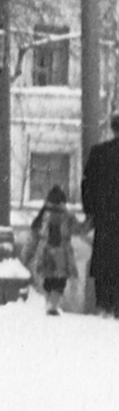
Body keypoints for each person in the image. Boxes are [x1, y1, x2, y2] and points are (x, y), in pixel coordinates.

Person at [83, 119, 119, 316]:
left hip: (105, 218)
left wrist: (90, 212)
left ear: (113, 129)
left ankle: (105, 306)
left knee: (105, 261)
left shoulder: (99, 152)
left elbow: (87, 185)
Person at [25, 186, 77, 316]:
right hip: (63, 253)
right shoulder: (68, 216)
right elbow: (79, 229)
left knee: (48, 279)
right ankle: (53, 304)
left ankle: (49, 302)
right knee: (60, 281)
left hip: (45, 253)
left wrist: (27, 255)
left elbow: (33, 237)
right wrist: (91, 222)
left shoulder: (42, 215)